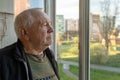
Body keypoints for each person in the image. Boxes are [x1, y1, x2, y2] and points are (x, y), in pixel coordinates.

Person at [0, 8, 60, 80]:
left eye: (50, 24)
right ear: (24, 33)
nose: (51, 29)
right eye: (44, 25)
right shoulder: (3, 61)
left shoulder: (49, 54)